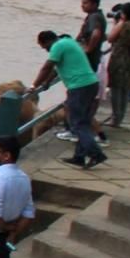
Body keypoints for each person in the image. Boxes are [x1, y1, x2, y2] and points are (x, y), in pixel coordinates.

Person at [32, 26, 106, 168]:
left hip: (79, 87)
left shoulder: (57, 46)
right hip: (90, 84)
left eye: (44, 47)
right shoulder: (68, 42)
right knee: (83, 122)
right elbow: (57, 68)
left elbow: (47, 67)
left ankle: (96, 154)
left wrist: (34, 85)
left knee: (77, 123)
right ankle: (79, 156)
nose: (45, 50)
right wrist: (47, 82)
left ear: (47, 41)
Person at [105, 2, 130, 129]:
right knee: (125, 89)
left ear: (124, 14)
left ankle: (115, 118)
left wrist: (119, 22)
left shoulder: (124, 25)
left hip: (119, 59)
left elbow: (110, 38)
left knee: (115, 89)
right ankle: (120, 117)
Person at [78, 0, 108, 73]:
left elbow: (96, 34)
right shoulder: (95, 15)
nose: (82, 6)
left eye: (85, 3)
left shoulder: (94, 17)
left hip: (90, 57)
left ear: (94, 4)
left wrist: (88, 49)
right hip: (93, 56)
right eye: (82, 3)